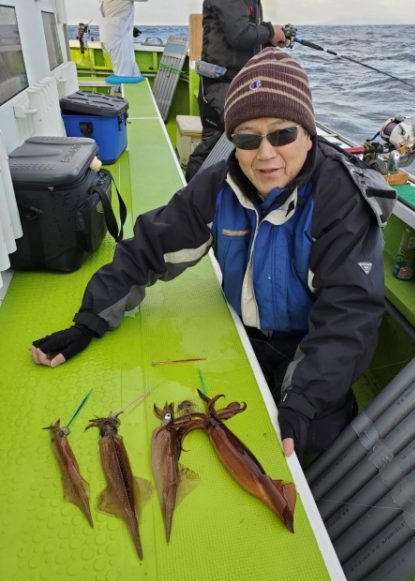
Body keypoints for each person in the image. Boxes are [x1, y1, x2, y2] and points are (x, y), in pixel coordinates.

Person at [31, 48, 396, 461]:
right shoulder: (219, 185)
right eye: (246, 137)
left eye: (282, 133)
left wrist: (304, 399)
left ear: (308, 133)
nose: (266, 153)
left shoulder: (340, 199)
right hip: (244, 335)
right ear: (233, 142)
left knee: (308, 443)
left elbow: (350, 313)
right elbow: (151, 245)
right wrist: (91, 318)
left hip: (312, 344)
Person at [185, 0, 286, 181]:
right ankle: (190, 195)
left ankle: (203, 192)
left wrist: (268, 39)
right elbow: (239, 35)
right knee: (220, 142)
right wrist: (271, 31)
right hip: (221, 85)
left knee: (219, 142)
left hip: (232, 84)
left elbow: (240, 36)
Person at [98, 0, 147, 80]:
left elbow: (115, 10)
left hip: (108, 34)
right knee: (125, 75)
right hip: (118, 38)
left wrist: (129, 27)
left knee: (132, 73)